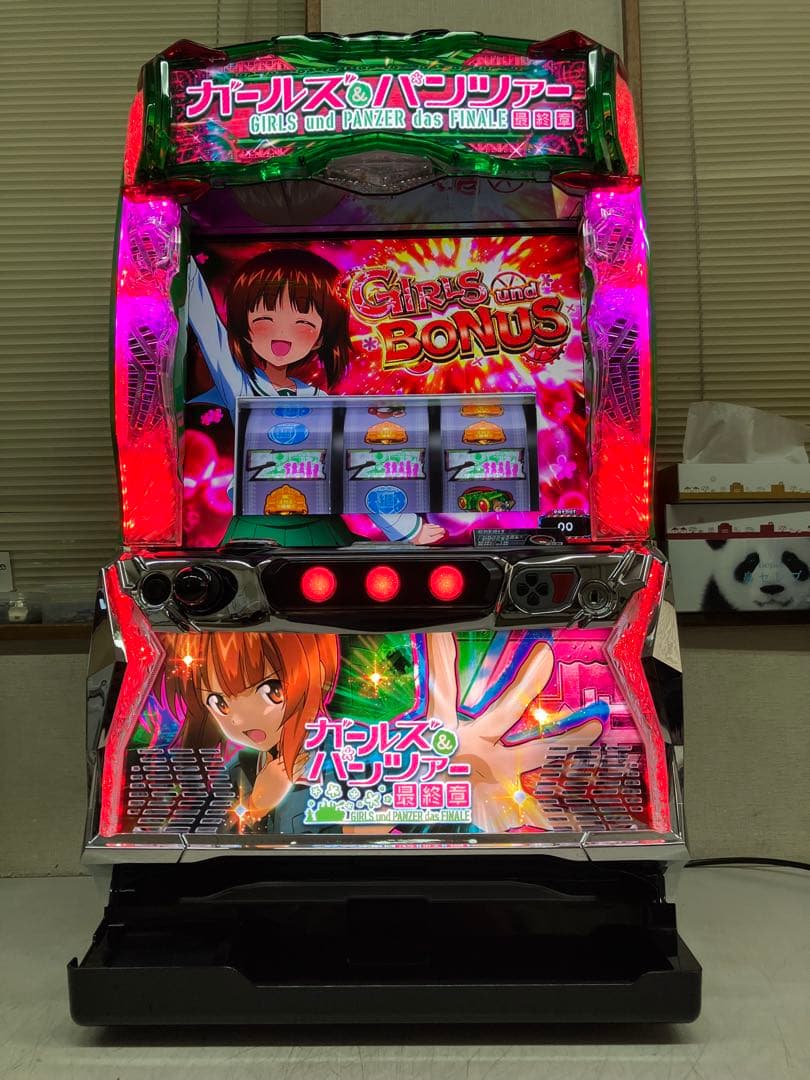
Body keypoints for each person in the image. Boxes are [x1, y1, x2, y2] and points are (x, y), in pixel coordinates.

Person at [186, 249, 445, 544]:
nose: (281, 335)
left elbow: (353, 466)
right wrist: (180, 258)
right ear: (244, 327)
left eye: (303, 324)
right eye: (264, 319)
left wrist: (407, 529)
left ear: (321, 337)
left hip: (319, 521)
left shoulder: (318, 398)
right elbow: (208, 328)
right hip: (258, 524)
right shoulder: (242, 385)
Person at [163, 630, 339, 832]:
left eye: (271, 691)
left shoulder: (351, 756)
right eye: (220, 703)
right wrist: (255, 806)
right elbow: (198, 832)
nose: (239, 720)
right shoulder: (240, 769)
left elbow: (363, 834)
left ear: (318, 674)